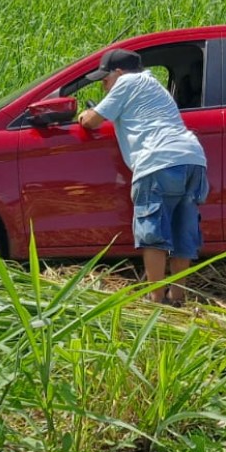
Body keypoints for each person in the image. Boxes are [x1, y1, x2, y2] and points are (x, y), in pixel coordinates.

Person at [76, 48, 208, 306]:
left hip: (158, 162)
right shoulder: (154, 86)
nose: (104, 86)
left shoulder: (127, 82)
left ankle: (155, 299)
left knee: (153, 232)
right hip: (193, 159)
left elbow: (92, 121)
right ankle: (178, 297)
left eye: (105, 80)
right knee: (183, 231)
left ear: (118, 72)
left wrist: (84, 114)